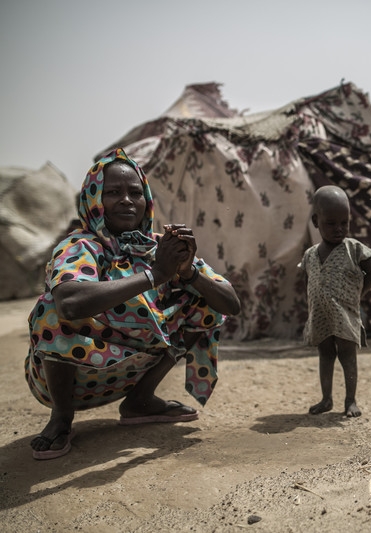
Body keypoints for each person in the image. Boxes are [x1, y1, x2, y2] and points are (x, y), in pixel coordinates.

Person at [26, 148, 241, 460]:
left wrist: (188, 271)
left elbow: (230, 304)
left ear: (147, 200)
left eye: (135, 192)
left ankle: (140, 400)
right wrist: (155, 276)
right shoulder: (80, 246)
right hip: (78, 376)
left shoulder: (160, 246)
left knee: (204, 298)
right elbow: (70, 304)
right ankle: (61, 418)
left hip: (131, 368)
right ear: (94, 199)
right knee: (51, 310)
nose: (126, 200)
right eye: (113, 192)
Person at [300, 185, 371, 417]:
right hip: (321, 316)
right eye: (331, 223)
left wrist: (358, 295)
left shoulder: (353, 249)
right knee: (325, 354)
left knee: (347, 355)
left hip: (345, 314)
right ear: (316, 221)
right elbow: (309, 279)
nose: (339, 229)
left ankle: (350, 401)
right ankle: (326, 399)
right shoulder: (310, 254)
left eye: (344, 223)